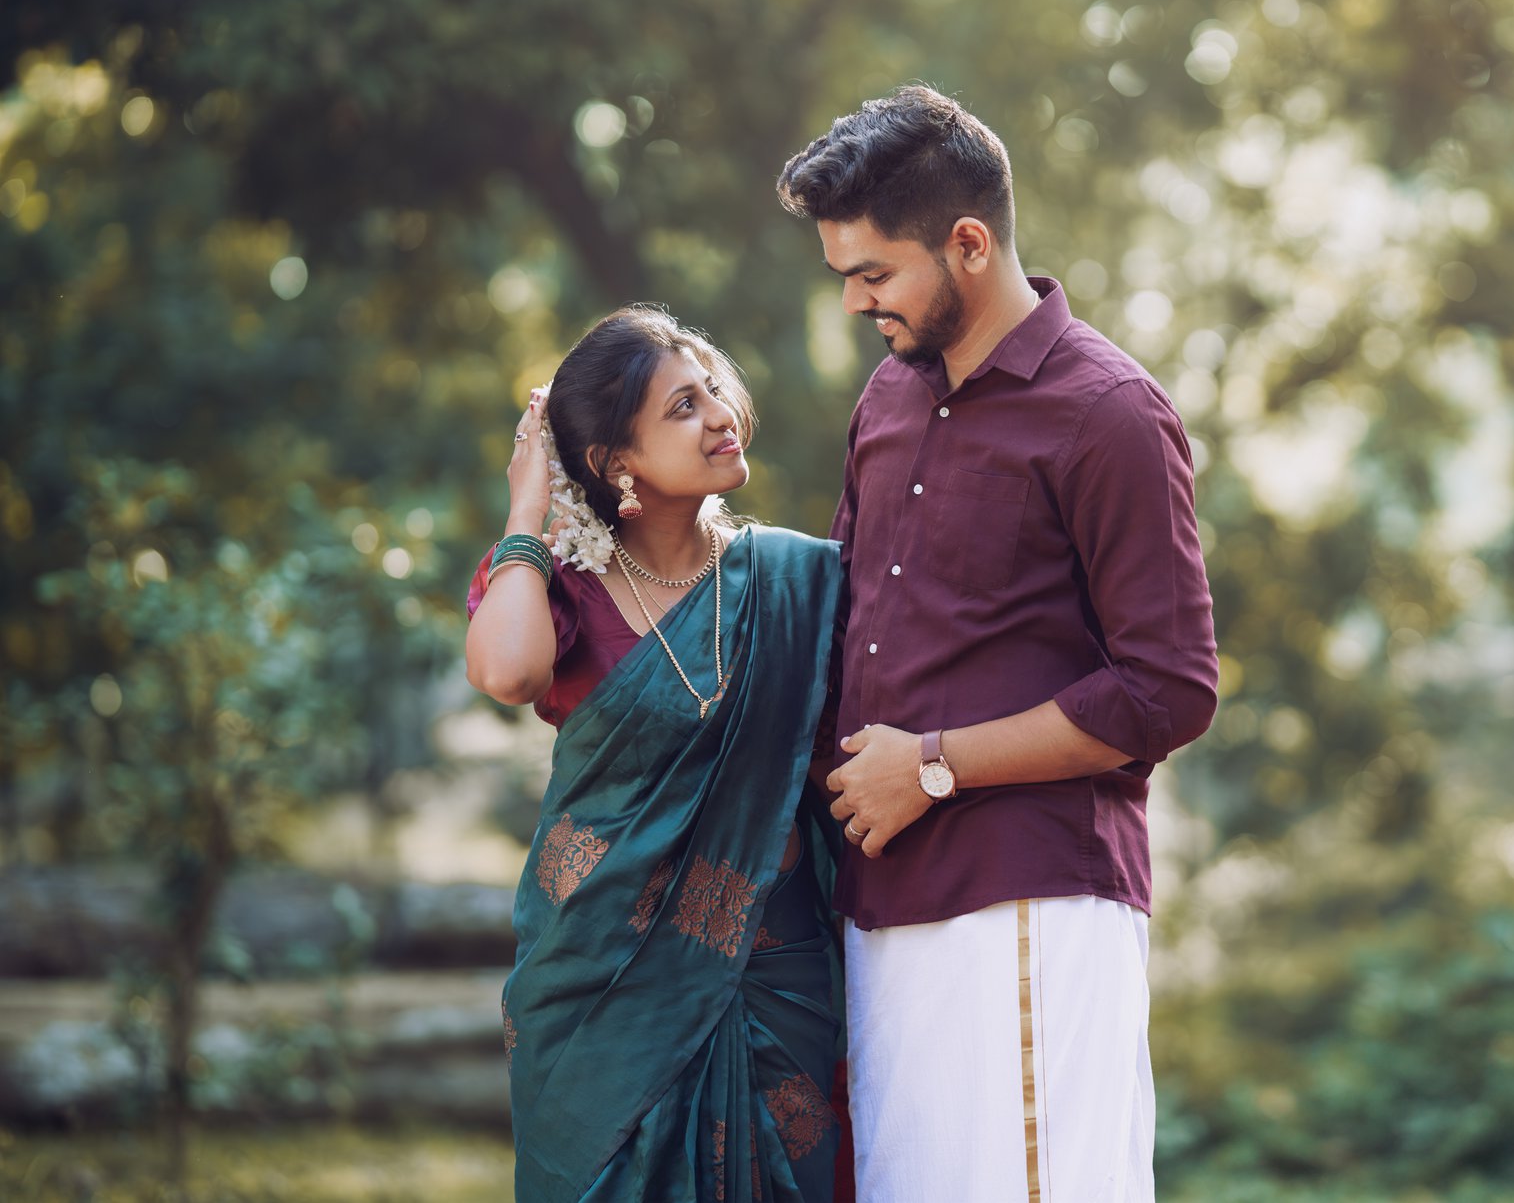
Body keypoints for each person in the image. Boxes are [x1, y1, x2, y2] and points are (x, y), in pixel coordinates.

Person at [776, 86, 1219, 1202]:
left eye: (873, 273)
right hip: (882, 905)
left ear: (966, 243)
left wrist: (932, 762)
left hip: (1030, 903)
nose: (852, 303)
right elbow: (845, 626)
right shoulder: (885, 397)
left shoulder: (1108, 412)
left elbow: (1165, 690)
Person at [465, 304, 848, 1202]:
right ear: (613, 463)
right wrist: (529, 506)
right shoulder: (555, 582)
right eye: (681, 407)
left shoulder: (796, 582)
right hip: (601, 983)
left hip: (771, 973)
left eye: (712, 389)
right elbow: (509, 671)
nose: (720, 414)